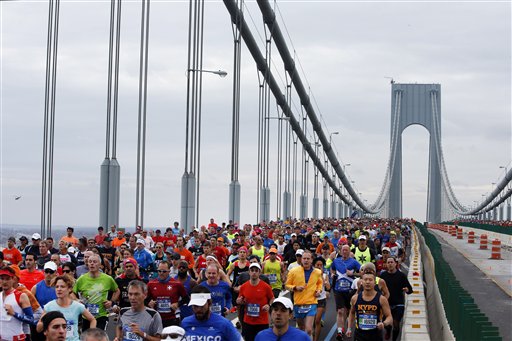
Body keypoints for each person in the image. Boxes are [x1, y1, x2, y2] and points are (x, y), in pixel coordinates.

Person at [38, 275, 97, 341]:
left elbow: (92, 320)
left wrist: (91, 337)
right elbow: (38, 328)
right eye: (57, 287)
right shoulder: (49, 306)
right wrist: (48, 321)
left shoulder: (77, 306)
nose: (59, 289)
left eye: (62, 287)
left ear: (69, 289)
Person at [73, 253, 120, 330]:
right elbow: (72, 293)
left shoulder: (107, 279)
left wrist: (111, 302)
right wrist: (77, 300)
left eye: (94, 262)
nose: (92, 264)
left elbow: (117, 291)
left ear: (100, 265)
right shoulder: (81, 279)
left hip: (101, 315)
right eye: (90, 261)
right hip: (86, 316)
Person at [285, 250, 323, 338]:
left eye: (308, 258)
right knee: (301, 328)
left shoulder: (317, 272)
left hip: (311, 302)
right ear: (301, 260)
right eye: (304, 258)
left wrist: (319, 291)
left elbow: (319, 283)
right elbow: (287, 285)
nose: (306, 260)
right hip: (298, 303)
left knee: (309, 329)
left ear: (311, 260)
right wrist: (295, 287)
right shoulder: (293, 271)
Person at [346, 271, 393, 341]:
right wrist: (349, 328)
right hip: (359, 335)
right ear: (362, 282)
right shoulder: (355, 298)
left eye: (370, 280)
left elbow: (389, 317)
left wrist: (384, 323)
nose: (367, 282)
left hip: (376, 335)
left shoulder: (382, 299)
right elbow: (352, 313)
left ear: (374, 283)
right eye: (365, 280)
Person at [237, 263, 274, 341]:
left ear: (259, 273)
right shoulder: (243, 286)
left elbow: (272, 298)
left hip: (262, 321)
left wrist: (269, 305)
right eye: (252, 270)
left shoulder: (265, 286)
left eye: (256, 271)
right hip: (248, 321)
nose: (254, 272)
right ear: (249, 272)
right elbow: (239, 299)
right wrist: (239, 301)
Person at [331, 244, 361, 340]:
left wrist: (353, 273)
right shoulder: (336, 261)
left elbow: (362, 272)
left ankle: (348, 329)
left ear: (349, 252)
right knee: (340, 311)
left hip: (350, 291)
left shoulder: (354, 262)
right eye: (343, 250)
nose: (344, 252)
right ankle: (340, 332)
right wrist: (332, 273)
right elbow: (332, 268)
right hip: (338, 290)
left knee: (349, 312)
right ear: (340, 251)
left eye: (346, 250)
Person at [379, 257, 413, 341]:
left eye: (391, 262)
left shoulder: (401, 276)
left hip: (398, 304)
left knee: (396, 322)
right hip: (386, 304)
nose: (390, 264)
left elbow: (410, 289)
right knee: (387, 324)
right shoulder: (383, 276)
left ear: (395, 264)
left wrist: (407, 290)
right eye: (388, 262)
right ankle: (388, 330)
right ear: (386, 264)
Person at [147, 261, 189, 327]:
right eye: (159, 271)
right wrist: (149, 303)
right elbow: (145, 299)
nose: (161, 273)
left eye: (164, 271)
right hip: (156, 318)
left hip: (172, 319)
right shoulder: (151, 284)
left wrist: (178, 304)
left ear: (169, 271)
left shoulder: (176, 284)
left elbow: (186, 298)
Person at [1, 266, 36, 340]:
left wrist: (14, 313)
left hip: (17, 338)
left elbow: (31, 320)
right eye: (2, 279)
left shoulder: (21, 295)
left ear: (13, 279)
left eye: (7, 279)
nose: (4, 282)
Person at [313, 257, 331, 341]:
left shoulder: (325, 275)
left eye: (321, 265)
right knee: (311, 321)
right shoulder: (310, 274)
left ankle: (316, 339)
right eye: (317, 265)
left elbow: (328, 287)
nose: (319, 266)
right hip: (311, 300)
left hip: (321, 299)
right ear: (314, 266)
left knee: (317, 320)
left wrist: (321, 277)